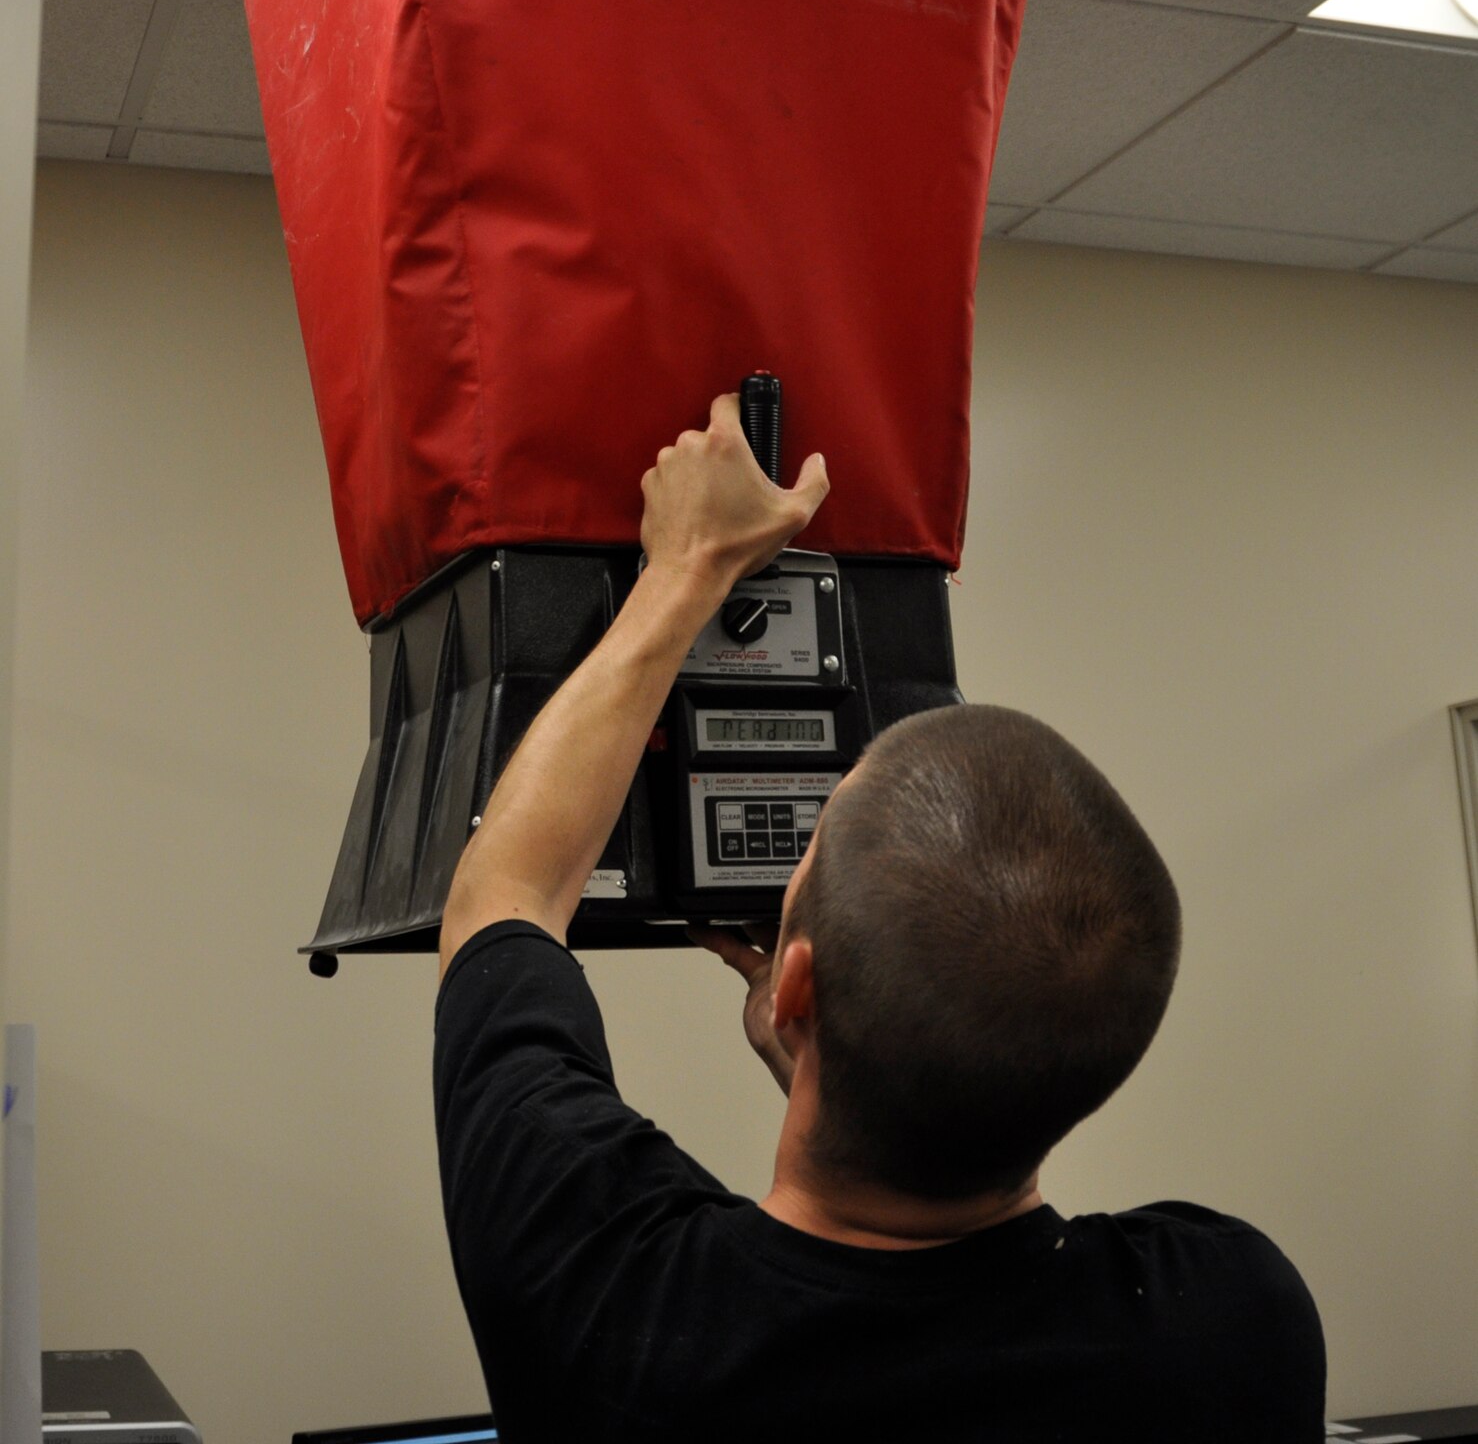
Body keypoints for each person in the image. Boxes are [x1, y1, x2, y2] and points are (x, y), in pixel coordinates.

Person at [433, 394, 1325, 1442]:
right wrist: (845, 1056)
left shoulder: (612, 1304)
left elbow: (504, 897)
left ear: (796, 984)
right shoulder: (1229, 1317)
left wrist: (683, 568)